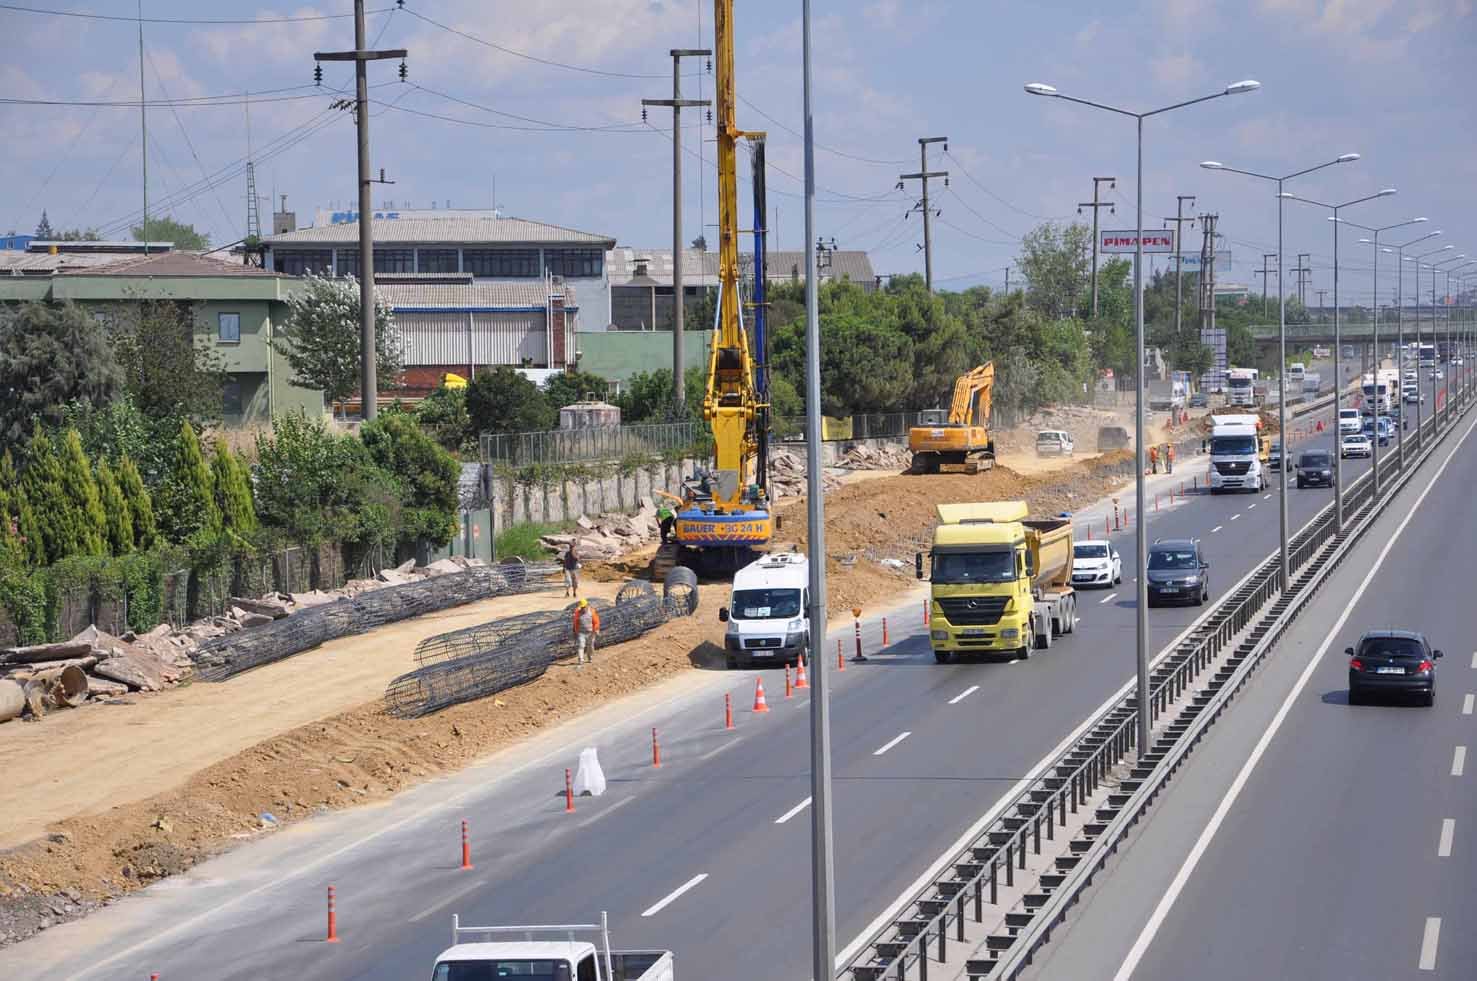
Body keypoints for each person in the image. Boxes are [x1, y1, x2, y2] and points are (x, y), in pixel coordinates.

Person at [571, 598, 600, 665]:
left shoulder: (592, 612)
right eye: (581, 607)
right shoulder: (577, 613)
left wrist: (596, 630)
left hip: (591, 632)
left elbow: (596, 622)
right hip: (581, 633)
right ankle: (581, 659)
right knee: (581, 646)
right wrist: (575, 631)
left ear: (587, 606)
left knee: (590, 646)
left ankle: (590, 657)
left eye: (584, 607)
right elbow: (575, 623)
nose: (582, 609)